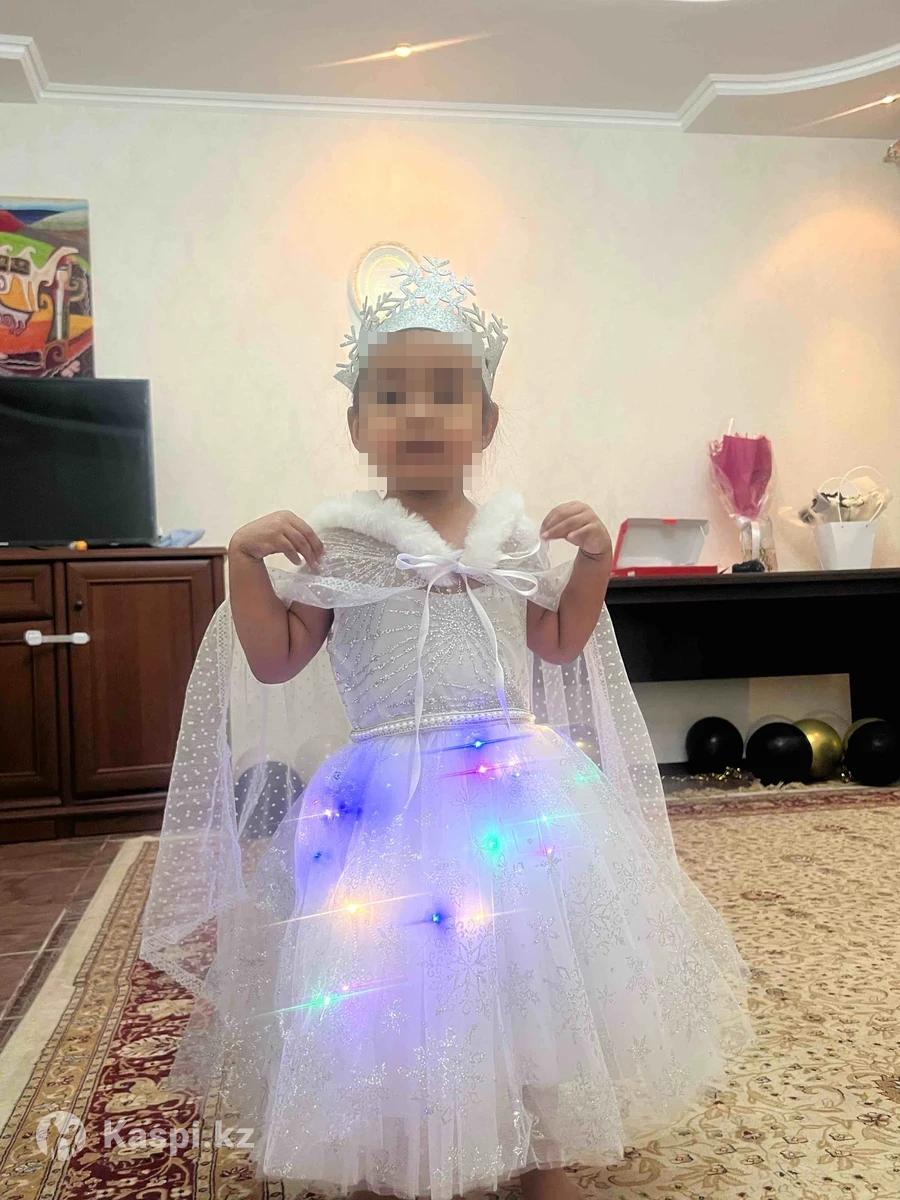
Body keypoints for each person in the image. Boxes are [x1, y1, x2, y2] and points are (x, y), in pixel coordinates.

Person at [140, 255, 754, 1200]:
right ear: (357, 425)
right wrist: (245, 565)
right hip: (385, 805)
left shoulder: (511, 538)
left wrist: (592, 559)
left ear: (487, 422)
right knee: (391, 984)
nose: (420, 414)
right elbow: (275, 658)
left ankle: (543, 1148)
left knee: (532, 973)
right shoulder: (341, 545)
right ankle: (398, 1142)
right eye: (392, 396)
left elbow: (557, 641)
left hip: (515, 796)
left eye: (445, 393)